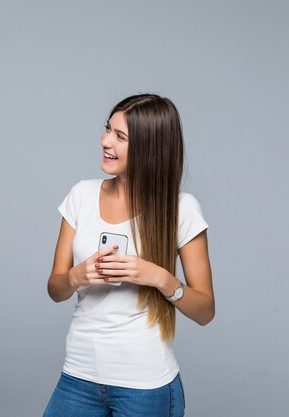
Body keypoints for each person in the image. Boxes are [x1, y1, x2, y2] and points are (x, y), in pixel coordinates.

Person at [43, 94, 214, 417]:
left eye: (120, 137)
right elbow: (55, 289)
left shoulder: (181, 209)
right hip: (79, 377)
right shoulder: (81, 195)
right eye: (107, 129)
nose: (105, 141)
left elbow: (205, 311)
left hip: (145, 387)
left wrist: (160, 278)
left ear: (150, 147)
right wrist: (78, 276)